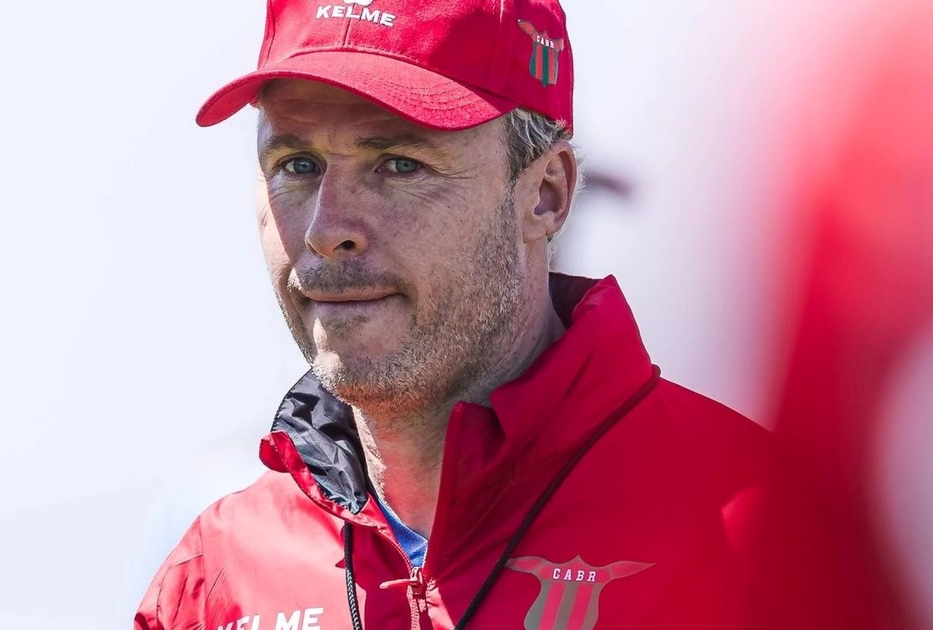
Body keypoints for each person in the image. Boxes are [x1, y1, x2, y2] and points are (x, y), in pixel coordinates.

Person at [136, 0, 770, 628]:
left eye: (400, 165)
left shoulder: (760, 528)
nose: (327, 232)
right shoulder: (213, 574)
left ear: (546, 194)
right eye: (297, 166)